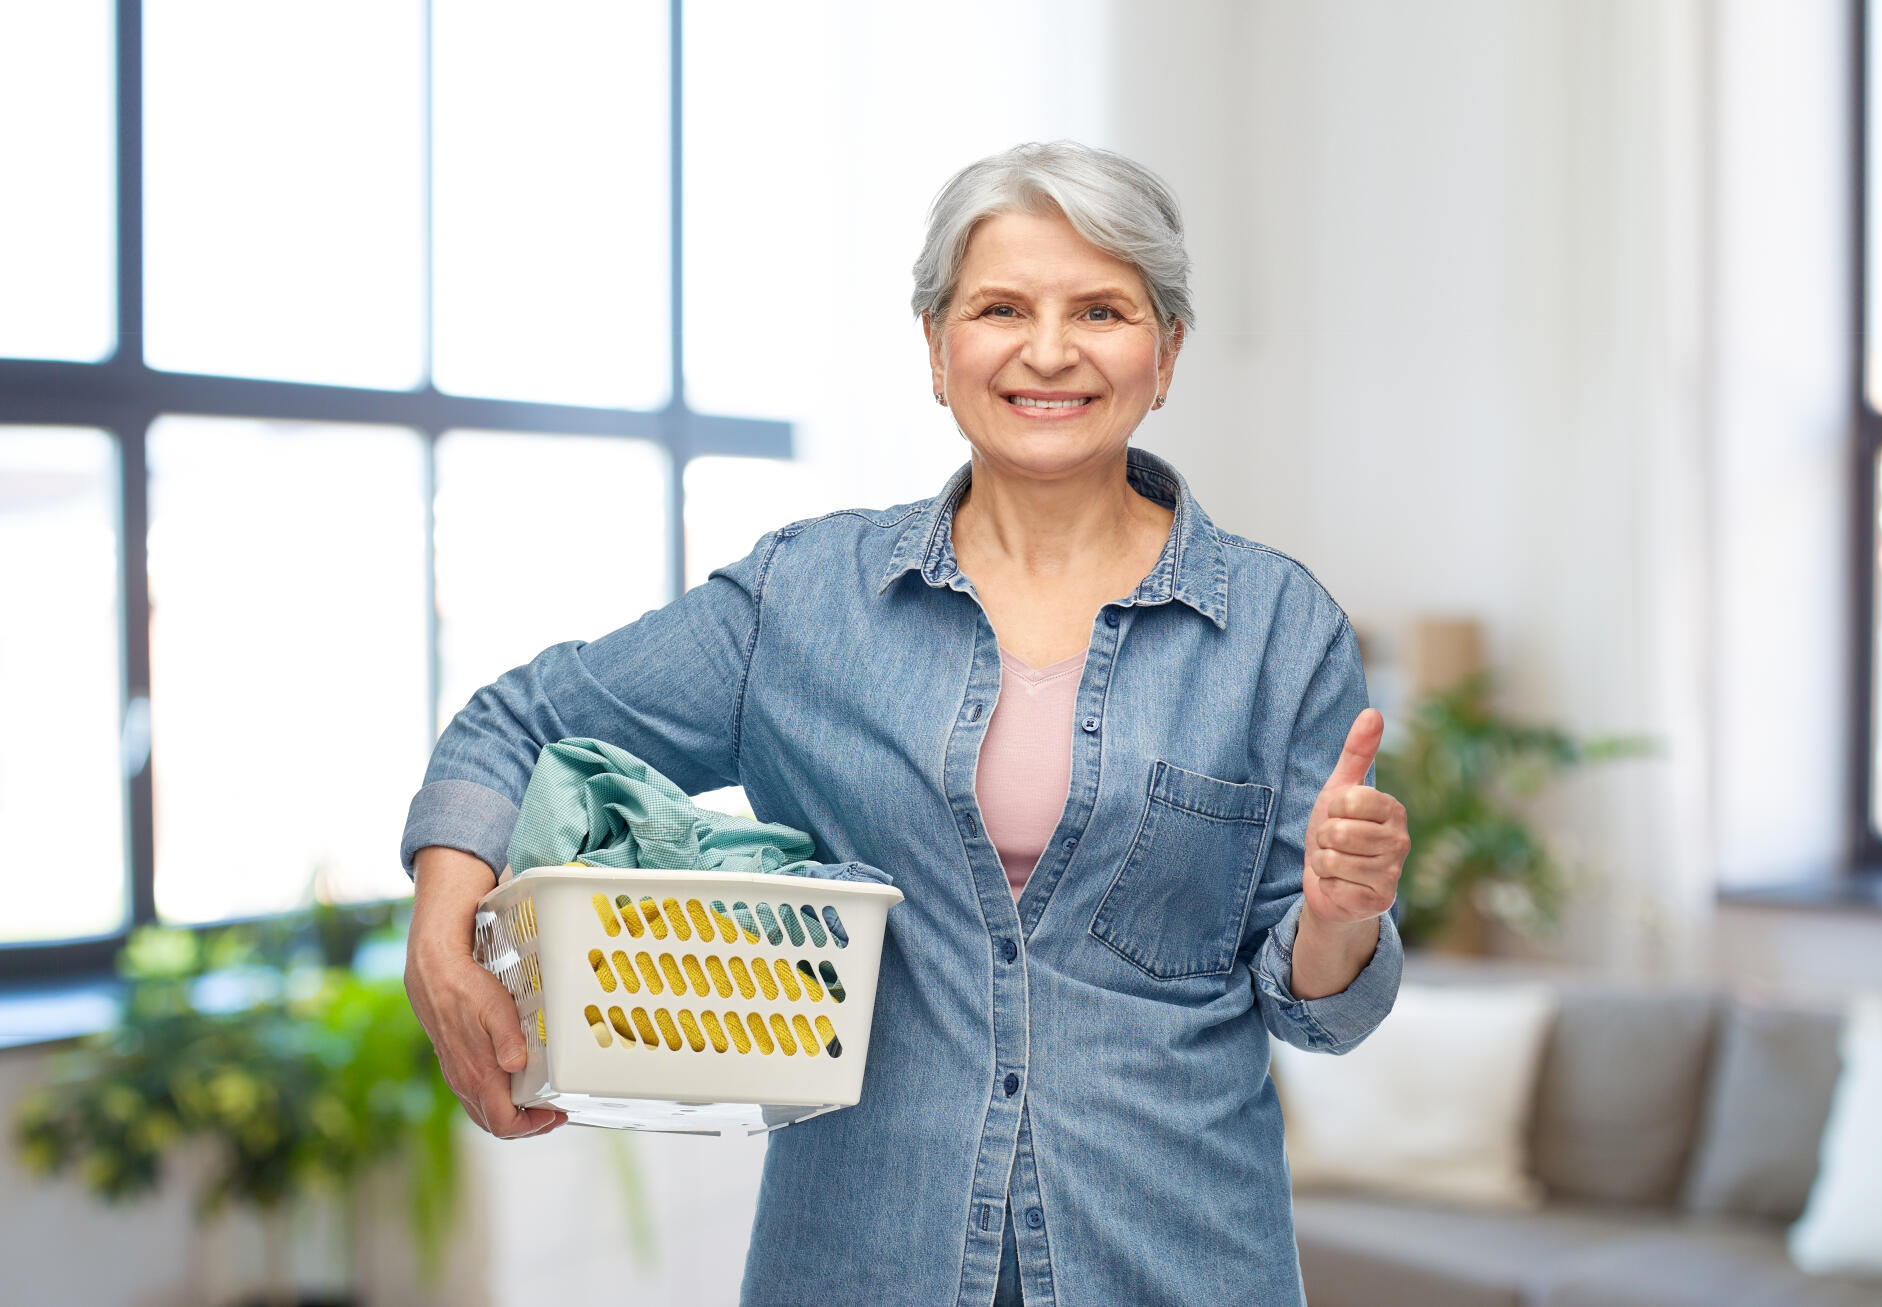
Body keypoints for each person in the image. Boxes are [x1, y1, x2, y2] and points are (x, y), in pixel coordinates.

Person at [401, 139, 1409, 1307]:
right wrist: (439, 927)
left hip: (1179, 1258)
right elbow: (514, 721)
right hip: (862, 1258)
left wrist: (1336, 918)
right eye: (998, 307)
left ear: (1165, 350)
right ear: (936, 347)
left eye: (1100, 308)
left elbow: (1321, 1007)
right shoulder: (804, 600)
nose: (1048, 349)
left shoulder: (1280, 628)